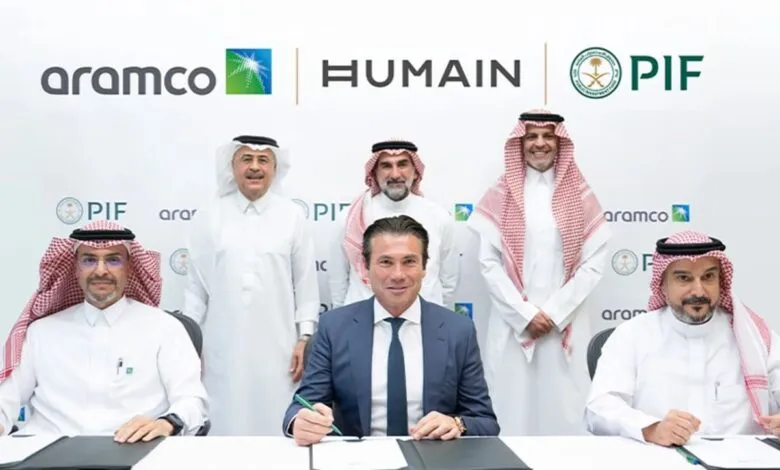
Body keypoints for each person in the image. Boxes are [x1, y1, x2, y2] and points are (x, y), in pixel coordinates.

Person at [283, 215, 499, 445]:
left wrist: (456, 424)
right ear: (365, 268)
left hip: (433, 459)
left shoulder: (458, 331)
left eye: (409, 261)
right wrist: (301, 422)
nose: (398, 274)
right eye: (385, 262)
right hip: (359, 461)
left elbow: (485, 421)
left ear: (424, 267)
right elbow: (301, 406)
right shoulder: (334, 327)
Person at [467, 108, 611, 435]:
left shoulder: (579, 195)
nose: (540, 143)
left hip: (566, 326)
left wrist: (554, 312)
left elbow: (593, 264)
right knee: (509, 411)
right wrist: (524, 314)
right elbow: (488, 264)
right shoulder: (501, 194)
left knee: (566, 413)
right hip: (512, 325)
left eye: (548, 136)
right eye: (531, 136)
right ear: (520, 143)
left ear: (560, 143)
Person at [0, 221, 208, 441]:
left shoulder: (165, 328)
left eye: (113, 260)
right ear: (76, 268)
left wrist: (168, 423)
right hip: (45, 454)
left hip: (135, 451)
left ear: (129, 267)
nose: (101, 271)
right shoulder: (40, 332)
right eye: (89, 260)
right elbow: (5, 400)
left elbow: (192, 401)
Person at [585, 231, 780, 445]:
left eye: (708, 277)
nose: (698, 290)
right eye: (684, 278)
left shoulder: (755, 338)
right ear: (663, 286)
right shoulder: (632, 335)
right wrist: (652, 429)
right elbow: (600, 408)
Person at [184, 135, 320, 435]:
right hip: (220, 345)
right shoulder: (208, 217)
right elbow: (196, 288)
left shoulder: (293, 216)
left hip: (280, 345)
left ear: (275, 168)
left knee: (276, 418)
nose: (255, 167)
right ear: (231, 167)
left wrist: (304, 338)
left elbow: (306, 285)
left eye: (263, 160)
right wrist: (190, 343)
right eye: (246, 159)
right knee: (224, 419)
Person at [330, 139, 459, 309]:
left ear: (415, 171)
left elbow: (448, 281)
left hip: (424, 321)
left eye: (403, 164)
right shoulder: (350, 217)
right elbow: (338, 281)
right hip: (362, 321)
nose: (395, 174)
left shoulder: (439, 217)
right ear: (374, 172)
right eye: (386, 166)